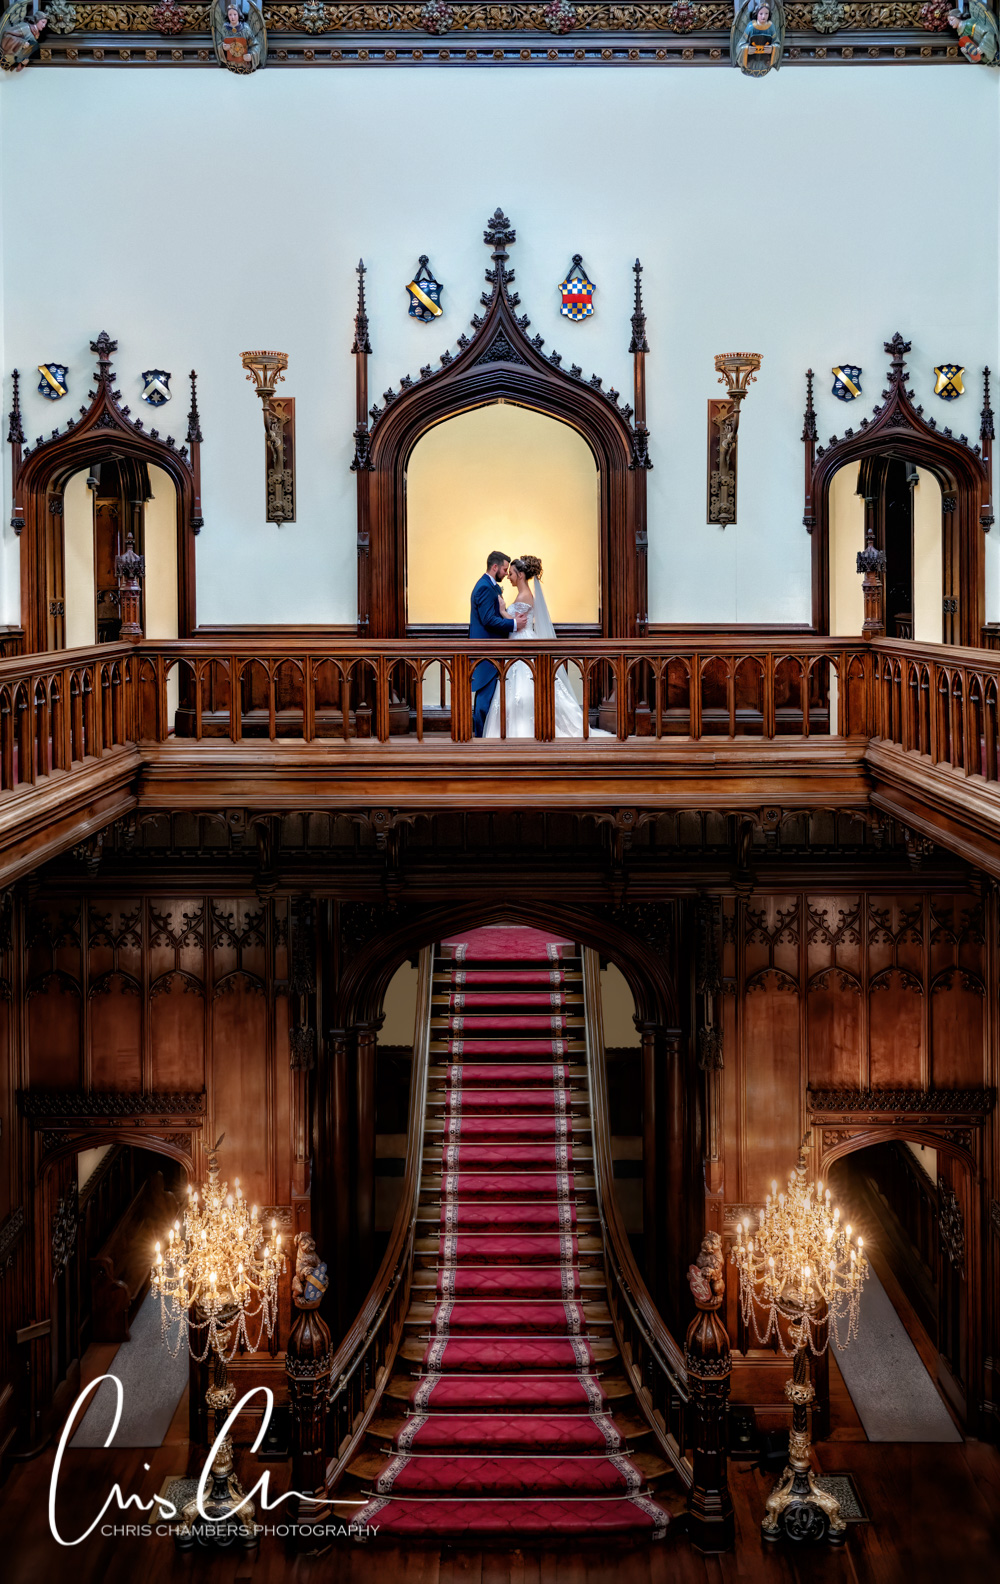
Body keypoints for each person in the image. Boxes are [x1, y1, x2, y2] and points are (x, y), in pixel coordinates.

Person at [481, 555, 612, 740]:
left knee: (524, 685)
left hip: (522, 642)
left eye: (511, 573)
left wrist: (502, 611)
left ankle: (524, 731)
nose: (508, 577)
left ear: (520, 575)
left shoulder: (525, 595)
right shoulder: (522, 594)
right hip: (518, 641)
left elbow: (518, 623)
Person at [469, 551, 527, 738]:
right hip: (487, 649)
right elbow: (488, 620)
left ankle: (485, 737)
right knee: (484, 702)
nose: (505, 573)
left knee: (488, 699)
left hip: (493, 649)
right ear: (495, 567)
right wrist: (514, 624)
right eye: (503, 569)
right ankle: (480, 740)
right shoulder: (485, 587)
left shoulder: (491, 586)